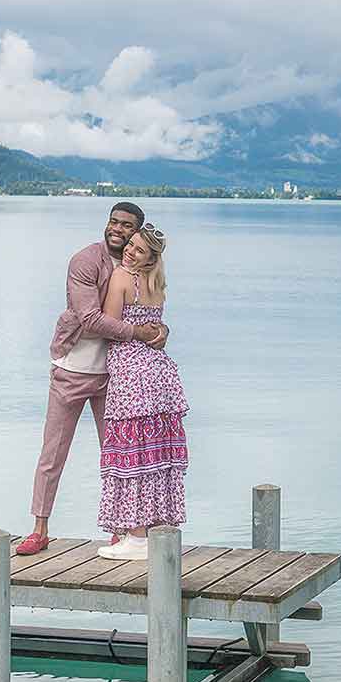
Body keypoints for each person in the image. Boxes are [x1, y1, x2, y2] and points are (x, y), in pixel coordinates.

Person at [17, 203, 167, 556]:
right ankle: (39, 529)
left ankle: (122, 533)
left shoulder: (139, 268)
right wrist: (141, 333)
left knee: (117, 456)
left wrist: (161, 331)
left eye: (127, 226)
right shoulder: (86, 260)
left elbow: (151, 311)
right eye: (113, 221)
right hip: (72, 369)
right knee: (53, 453)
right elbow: (89, 319)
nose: (118, 229)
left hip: (116, 377)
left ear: (138, 232)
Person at [95, 223, 188, 560]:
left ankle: (135, 535)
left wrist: (134, 333)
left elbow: (110, 326)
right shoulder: (156, 285)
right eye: (131, 244)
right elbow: (157, 330)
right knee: (157, 455)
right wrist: (157, 333)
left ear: (150, 259)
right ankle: (156, 532)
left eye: (139, 249)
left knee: (131, 453)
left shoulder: (122, 278)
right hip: (160, 372)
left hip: (132, 372)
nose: (131, 250)